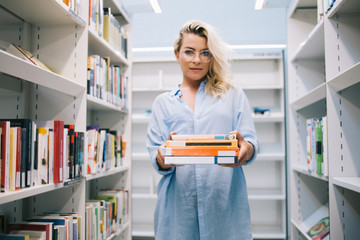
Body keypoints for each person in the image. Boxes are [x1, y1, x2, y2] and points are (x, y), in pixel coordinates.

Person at [146, 20, 258, 240]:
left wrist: (246, 149)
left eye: (205, 53)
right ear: (177, 54)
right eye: (189, 52)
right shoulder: (163, 103)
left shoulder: (233, 95)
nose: (197, 60)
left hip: (225, 210)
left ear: (212, 56)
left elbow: (251, 142)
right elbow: (155, 154)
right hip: (178, 214)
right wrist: (164, 156)